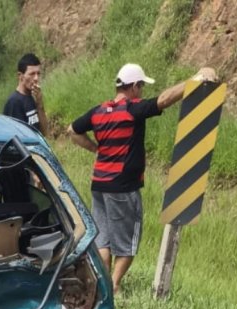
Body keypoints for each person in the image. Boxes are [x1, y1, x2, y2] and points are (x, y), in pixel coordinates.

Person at [69, 62, 217, 293]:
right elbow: (166, 99)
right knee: (127, 241)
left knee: (104, 239)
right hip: (123, 187)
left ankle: (104, 283)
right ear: (135, 87)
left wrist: (96, 149)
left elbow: (72, 131)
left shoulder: (98, 111)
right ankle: (115, 285)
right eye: (141, 87)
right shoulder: (132, 110)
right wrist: (195, 79)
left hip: (99, 185)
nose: (142, 93)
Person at [3, 53, 47, 134]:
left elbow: (44, 132)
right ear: (20, 76)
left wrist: (40, 104)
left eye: (38, 73)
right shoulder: (14, 102)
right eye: (32, 74)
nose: (36, 78)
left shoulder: (31, 97)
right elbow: (17, 137)